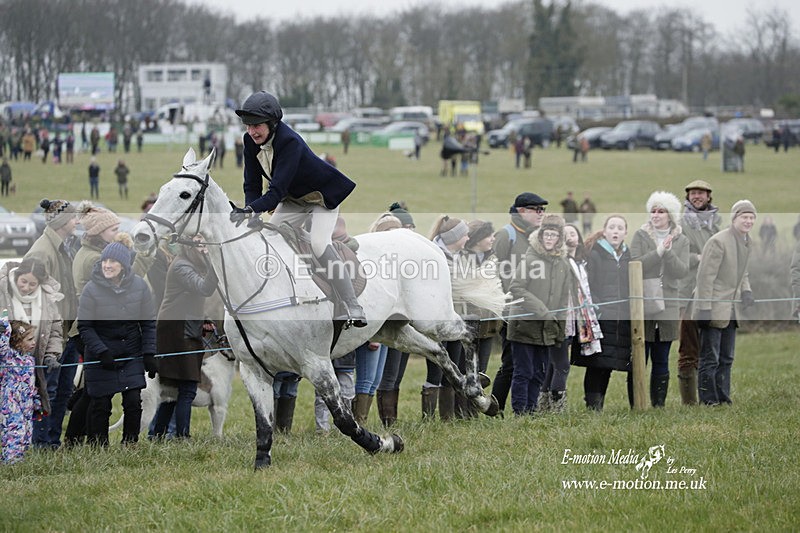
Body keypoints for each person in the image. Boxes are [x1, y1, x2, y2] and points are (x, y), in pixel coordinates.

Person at [231, 90, 365, 326]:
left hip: (321, 197)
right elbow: (251, 183)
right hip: (294, 199)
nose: (252, 131)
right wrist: (249, 209)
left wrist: (252, 211)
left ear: (272, 123)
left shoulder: (289, 141)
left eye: (257, 126)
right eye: (248, 126)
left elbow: (276, 192)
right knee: (270, 237)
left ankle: (352, 304)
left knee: (318, 243)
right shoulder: (249, 141)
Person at [78, 242, 157, 446]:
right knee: (100, 403)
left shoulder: (139, 286)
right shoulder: (91, 289)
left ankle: (130, 443)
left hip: (130, 352)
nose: (107, 265)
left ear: (123, 265)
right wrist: (101, 351)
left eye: (112, 261)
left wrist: (149, 353)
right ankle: (98, 446)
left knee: (133, 400)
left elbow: (148, 322)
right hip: (101, 355)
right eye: (104, 260)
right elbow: (85, 327)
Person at [150, 236, 219, 440]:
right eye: (198, 243)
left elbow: (191, 299)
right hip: (176, 332)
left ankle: (157, 435)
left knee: (173, 392)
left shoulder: (189, 263)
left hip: (184, 328)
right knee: (187, 389)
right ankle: (183, 437)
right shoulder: (182, 266)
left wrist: (202, 320)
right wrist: (214, 260)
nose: (203, 247)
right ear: (187, 245)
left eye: (205, 243)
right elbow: (205, 288)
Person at [25, 199, 80, 448]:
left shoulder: (61, 247)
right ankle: (41, 443)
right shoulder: (42, 252)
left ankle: (52, 440)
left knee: (62, 391)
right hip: (48, 337)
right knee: (47, 391)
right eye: (72, 218)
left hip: (65, 333)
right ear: (61, 222)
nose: (76, 221)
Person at [507, 215, 572, 415]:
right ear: (540, 235)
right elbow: (516, 288)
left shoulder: (563, 264)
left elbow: (562, 299)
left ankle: (532, 410)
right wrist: (542, 310)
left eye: (554, 235)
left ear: (560, 239)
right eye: (546, 234)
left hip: (547, 329)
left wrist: (559, 329)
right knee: (523, 371)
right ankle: (520, 412)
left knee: (539, 372)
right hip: (524, 325)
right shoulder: (529, 259)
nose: (549, 238)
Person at [630, 192, 690, 407]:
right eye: (653, 211)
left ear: (670, 215)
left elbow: (682, 271)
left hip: (669, 303)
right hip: (643, 302)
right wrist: (658, 251)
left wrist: (669, 252)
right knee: (639, 355)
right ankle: (637, 403)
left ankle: (658, 405)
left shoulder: (682, 240)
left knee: (662, 358)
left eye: (661, 211)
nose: (656, 215)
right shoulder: (640, 236)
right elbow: (635, 263)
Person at [490, 192, 548, 415]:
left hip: (532, 309)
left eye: (543, 210)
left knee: (523, 363)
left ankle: (508, 408)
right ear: (522, 211)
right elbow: (493, 269)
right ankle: (495, 408)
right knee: (512, 363)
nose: (541, 214)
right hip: (511, 309)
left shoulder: (536, 236)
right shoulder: (507, 235)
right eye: (537, 209)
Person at [694, 200, 756, 406]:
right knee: (710, 358)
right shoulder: (718, 241)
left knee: (727, 357)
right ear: (734, 218)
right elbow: (705, 277)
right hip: (712, 307)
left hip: (731, 309)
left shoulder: (747, 242)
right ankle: (708, 401)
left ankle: (723, 398)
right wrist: (704, 308)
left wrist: (746, 291)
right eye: (744, 217)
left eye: (751, 217)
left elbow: (742, 271)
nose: (748, 221)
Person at [0, 258, 64, 442]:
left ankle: (38, 443)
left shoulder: (48, 299)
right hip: (8, 363)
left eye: (32, 284)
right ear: (17, 276)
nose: (27, 287)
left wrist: (52, 354)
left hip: (35, 360)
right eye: (24, 281)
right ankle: (11, 443)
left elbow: (55, 329)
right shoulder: (3, 292)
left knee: (39, 399)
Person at [572, 215, 632, 411]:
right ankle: (593, 407)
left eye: (620, 228)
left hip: (621, 318)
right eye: (612, 227)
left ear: (625, 232)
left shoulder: (628, 255)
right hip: (600, 316)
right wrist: (597, 306)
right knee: (597, 364)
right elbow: (589, 284)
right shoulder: (595, 254)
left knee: (609, 364)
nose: (616, 231)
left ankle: (600, 403)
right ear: (604, 231)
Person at [421, 215, 470, 420]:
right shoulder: (433, 256)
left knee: (453, 368)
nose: (468, 238)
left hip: (456, 320)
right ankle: (429, 418)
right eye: (465, 234)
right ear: (454, 237)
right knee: (436, 370)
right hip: (437, 323)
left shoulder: (459, 257)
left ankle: (447, 417)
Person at [677, 180, 720, 405]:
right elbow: (676, 255)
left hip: (712, 292)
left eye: (701, 193)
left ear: (708, 196)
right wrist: (698, 259)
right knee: (689, 346)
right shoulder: (681, 223)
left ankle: (711, 397)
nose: (697, 196)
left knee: (711, 348)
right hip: (688, 291)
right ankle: (689, 402)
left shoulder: (717, 224)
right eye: (693, 193)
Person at [375, 203, 416, 427]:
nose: (409, 231)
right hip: (385, 326)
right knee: (386, 377)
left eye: (411, 226)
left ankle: (393, 420)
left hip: (404, 323)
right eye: (404, 227)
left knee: (397, 376)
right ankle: (387, 423)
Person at [560, 224, 602, 411]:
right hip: (566, 317)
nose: (570, 236)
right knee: (559, 363)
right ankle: (554, 403)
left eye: (573, 232)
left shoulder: (583, 262)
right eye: (566, 233)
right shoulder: (561, 261)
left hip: (583, 317)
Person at [0, 318, 40, 464]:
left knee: (27, 432)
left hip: (26, 403)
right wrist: (5, 328)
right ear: (17, 341)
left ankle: (20, 459)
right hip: (10, 401)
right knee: (15, 431)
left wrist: (36, 400)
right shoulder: (7, 357)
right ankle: (11, 461)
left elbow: (31, 382)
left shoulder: (30, 360)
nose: (33, 342)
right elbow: (2, 347)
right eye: (29, 339)